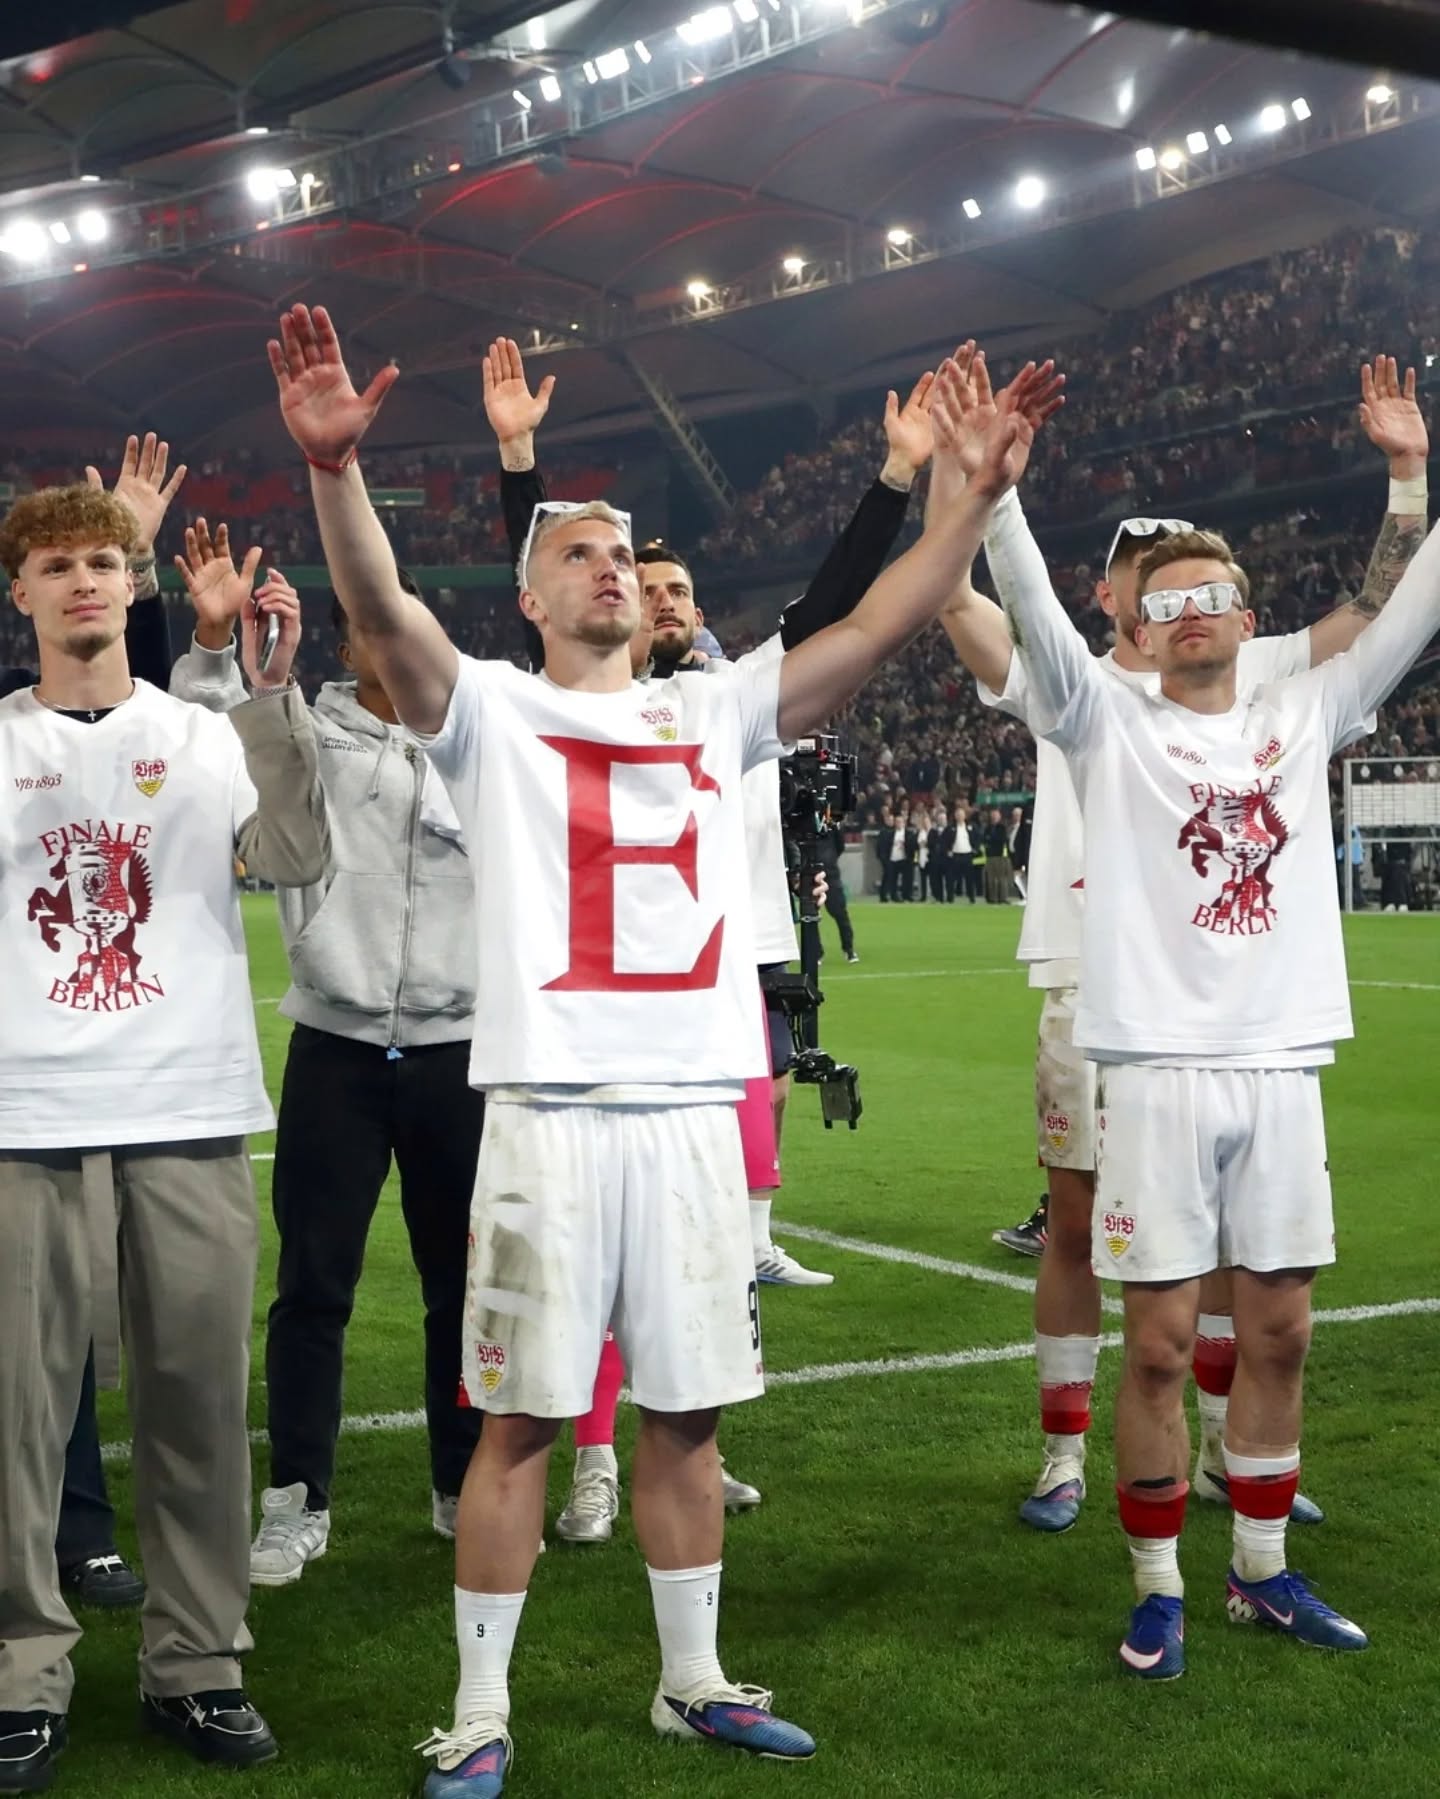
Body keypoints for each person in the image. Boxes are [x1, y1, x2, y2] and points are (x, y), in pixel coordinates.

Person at [264, 299, 1035, 1795]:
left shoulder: (712, 710)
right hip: (549, 1113)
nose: (613, 569)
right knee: (519, 1427)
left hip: (691, 1112)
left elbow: (876, 625)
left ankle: (695, 1679)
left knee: (685, 1419)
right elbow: (380, 614)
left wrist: (967, 499)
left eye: (625, 553)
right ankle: (479, 1709)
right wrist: (334, 474)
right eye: (579, 555)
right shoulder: (487, 711)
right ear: (534, 597)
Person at [944, 350, 1440, 1678]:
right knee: (1160, 1345)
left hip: (1281, 1065)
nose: (1196, 611)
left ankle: (1263, 1573)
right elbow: (1038, 616)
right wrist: (992, 501)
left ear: (1244, 609)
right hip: (1155, 1068)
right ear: (1144, 627)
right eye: (1170, 600)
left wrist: (1408, 470)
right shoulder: (1103, 717)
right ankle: (1159, 1581)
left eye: (1216, 592)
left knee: (1277, 1330)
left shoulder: (1309, 704)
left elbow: (1404, 607)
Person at [480, 337, 941, 1532]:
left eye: (669, 584)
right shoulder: (548, 706)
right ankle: (589, 1458)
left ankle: (683, 1453)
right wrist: (522, 467)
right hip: (584, 1049)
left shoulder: (724, 701)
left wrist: (904, 485)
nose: (657, 594)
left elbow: (843, 609)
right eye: (641, 579)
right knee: (563, 1310)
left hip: (718, 1003)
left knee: (705, 1273)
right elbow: (539, 592)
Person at [0, 481, 326, 1791]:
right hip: (25, 1118)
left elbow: (297, 852)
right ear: (17, 589)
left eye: (104, 561)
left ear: (138, 588)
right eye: (55, 562)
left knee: (196, 1409)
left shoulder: (204, 736)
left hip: (189, 1113)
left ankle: (196, 1662)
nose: (84, 580)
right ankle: (24, 1666)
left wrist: (269, 688)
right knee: (17, 1421)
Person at [169, 538, 485, 1588]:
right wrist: (216, 639)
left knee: (462, 1285)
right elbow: (212, 729)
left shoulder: (477, 746)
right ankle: (297, 1499)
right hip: (336, 1046)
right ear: (348, 641)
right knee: (311, 1289)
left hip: (457, 1049)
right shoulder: (304, 726)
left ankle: (462, 1480)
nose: (389, 646)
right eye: (369, 627)